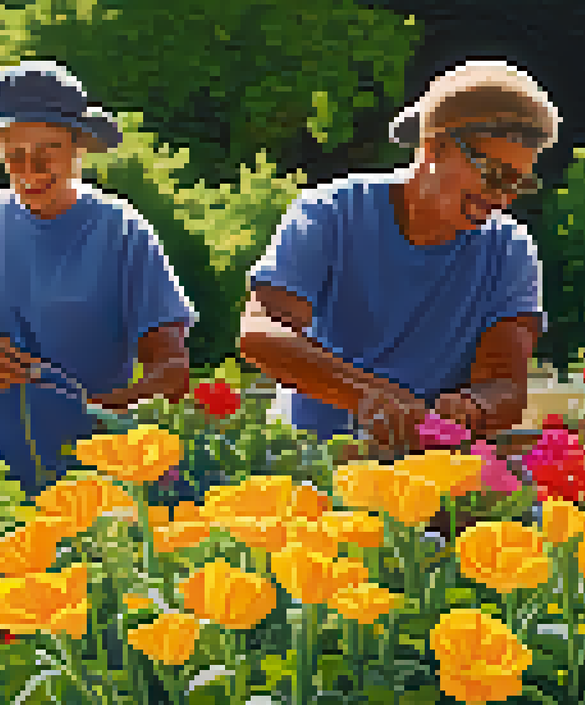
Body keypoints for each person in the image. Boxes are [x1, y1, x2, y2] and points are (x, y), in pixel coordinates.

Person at [237, 60, 556, 455]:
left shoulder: (510, 249)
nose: (503, 198)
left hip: (432, 469)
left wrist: (473, 408)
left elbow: (505, 386)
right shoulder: (331, 210)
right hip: (310, 459)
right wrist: (372, 398)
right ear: (435, 145)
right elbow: (261, 333)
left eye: (518, 183)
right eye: (494, 175)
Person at [0, 61, 196, 495]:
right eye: (14, 155)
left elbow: (171, 370)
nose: (30, 170)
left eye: (46, 152)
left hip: (92, 480)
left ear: (79, 146)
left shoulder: (122, 230)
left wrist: (99, 412)